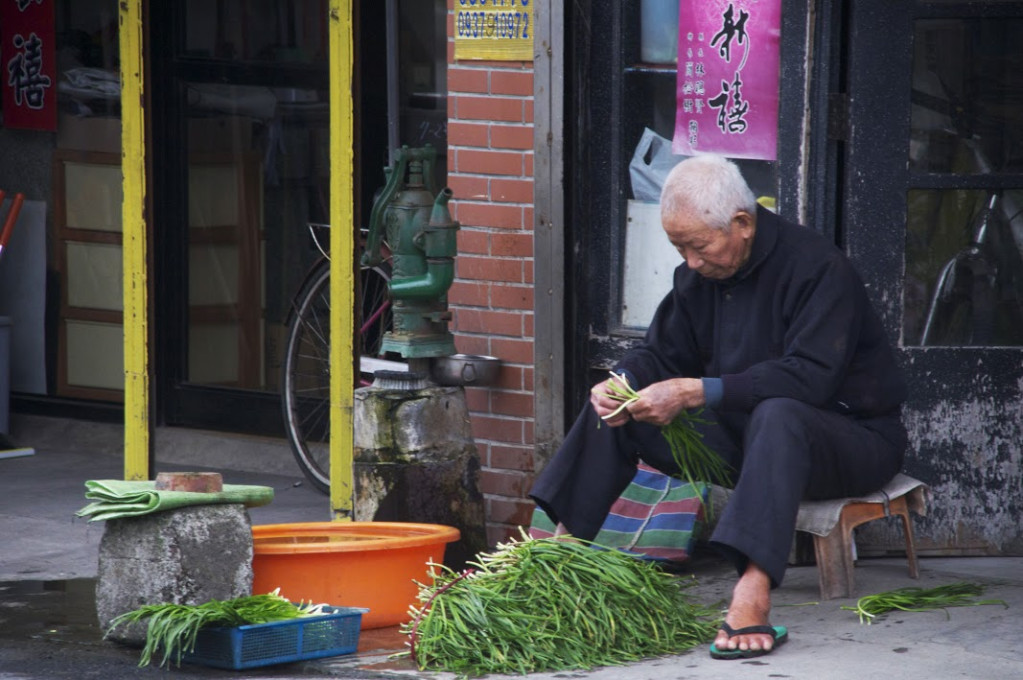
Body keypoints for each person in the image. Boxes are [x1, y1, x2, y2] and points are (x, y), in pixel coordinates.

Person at [529, 154, 907, 660]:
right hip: (749, 440)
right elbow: (661, 352)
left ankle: (753, 590)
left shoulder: (818, 268)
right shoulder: (698, 277)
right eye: (678, 248)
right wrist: (623, 382)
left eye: (698, 246)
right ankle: (561, 550)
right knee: (616, 405)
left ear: (743, 224)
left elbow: (809, 378)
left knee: (780, 411)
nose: (690, 262)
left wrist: (693, 392)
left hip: (850, 440)